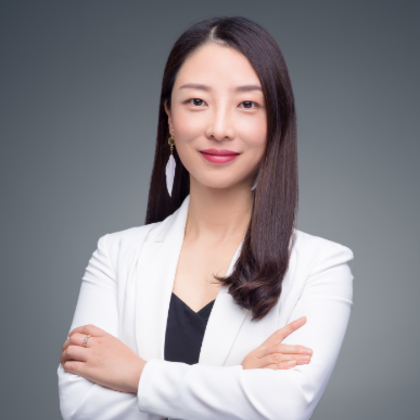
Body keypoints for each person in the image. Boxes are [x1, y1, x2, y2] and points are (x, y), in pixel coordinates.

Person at [57, 16, 354, 420]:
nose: (219, 128)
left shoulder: (321, 266)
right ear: (169, 116)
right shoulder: (115, 255)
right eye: (197, 101)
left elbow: (284, 406)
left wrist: (136, 374)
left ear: (275, 120)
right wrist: (238, 381)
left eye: (247, 104)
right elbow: (82, 407)